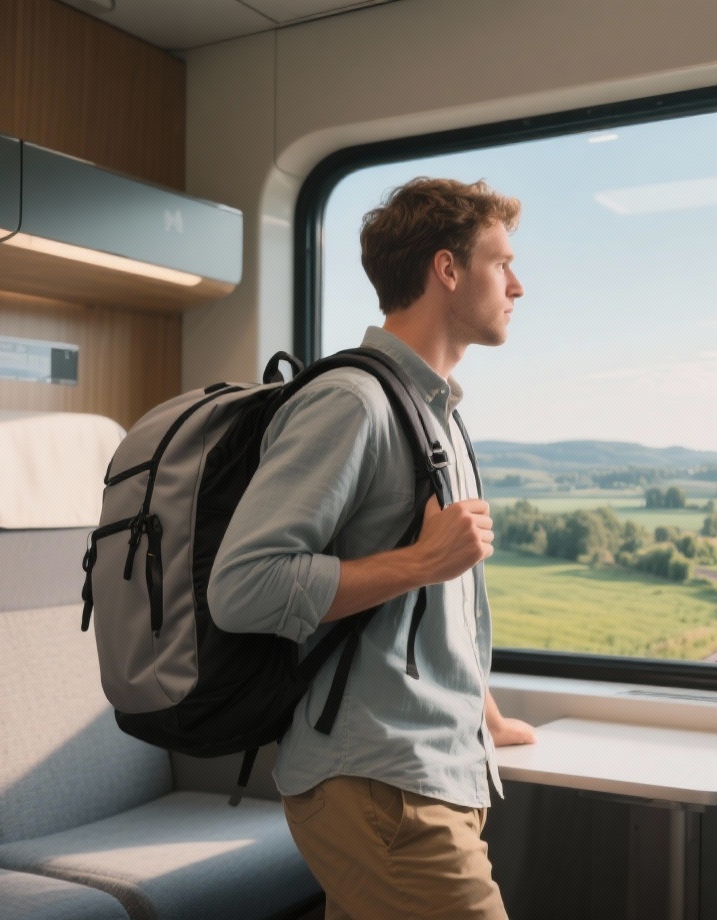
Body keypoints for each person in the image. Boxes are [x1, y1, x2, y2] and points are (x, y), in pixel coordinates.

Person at [209, 177, 536, 920]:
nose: (517, 285)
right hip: (379, 789)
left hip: (425, 777)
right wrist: (423, 561)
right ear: (447, 270)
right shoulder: (352, 403)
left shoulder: (435, 413)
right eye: (501, 262)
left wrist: (482, 715)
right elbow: (243, 586)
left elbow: (427, 610)